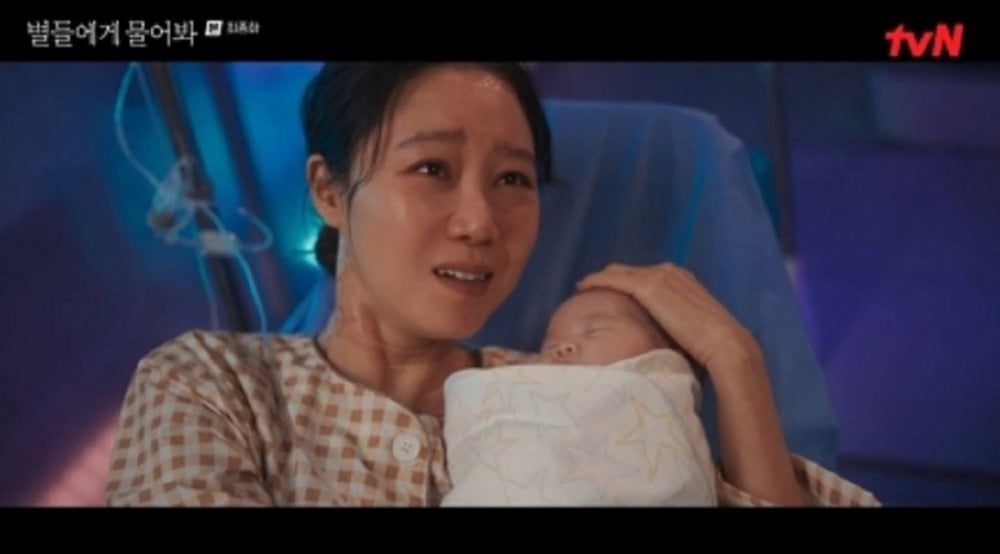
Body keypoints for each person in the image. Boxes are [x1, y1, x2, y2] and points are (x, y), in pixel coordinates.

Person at [104, 62, 880, 507]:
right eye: (431, 168)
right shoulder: (213, 385)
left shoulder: (576, 382)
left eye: (513, 178)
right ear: (329, 191)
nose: (480, 221)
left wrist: (734, 358)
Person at [440, 288, 718, 506]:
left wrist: (727, 352)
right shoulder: (510, 383)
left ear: (664, 350)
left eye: (594, 331)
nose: (563, 347)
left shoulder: (659, 395)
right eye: (550, 342)